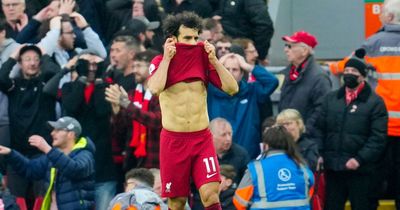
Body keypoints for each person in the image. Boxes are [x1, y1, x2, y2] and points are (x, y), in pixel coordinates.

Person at [147, 11, 238, 210]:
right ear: (173, 39)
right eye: (187, 38)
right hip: (174, 141)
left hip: (202, 139)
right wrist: (167, 59)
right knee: (177, 202)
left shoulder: (204, 60)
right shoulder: (159, 62)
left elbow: (232, 88)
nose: (193, 42)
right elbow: (154, 88)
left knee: (210, 194)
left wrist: (214, 60)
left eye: (196, 37)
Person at [328, 0, 400, 207]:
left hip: (380, 127)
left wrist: (332, 67)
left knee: (373, 182)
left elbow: (345, 66)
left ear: (389, 17)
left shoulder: (373, 43)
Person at [316, 49, 388, 210]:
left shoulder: (375, 103)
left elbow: (378, 138)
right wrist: (319, 154)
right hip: (333, 168)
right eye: (346, 70)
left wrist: (359, 159)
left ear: (362, 76)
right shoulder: (331, 99)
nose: (348, 74)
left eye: (353, 71)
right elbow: (319, 128)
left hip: (361, 171)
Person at [0, 44, 60, 207]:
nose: (32, 63)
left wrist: (45, 55)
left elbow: (55, 73)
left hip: (43, 153)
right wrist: (12, 57)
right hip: (17, 152)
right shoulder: (14, 85)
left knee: (42, 200)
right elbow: (1, 77)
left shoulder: (46, 85)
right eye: (27, 59)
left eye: (36, 59)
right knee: (15, 201)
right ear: (20, 63)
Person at [59, 52, 117, 210]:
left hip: (103, 164)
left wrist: (99, 81)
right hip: (78, 163)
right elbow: (71, 106)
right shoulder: (69, 87)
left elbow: (101, 109)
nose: (92, 69)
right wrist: (81, 79)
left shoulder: (107, 87)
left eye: (96, 65)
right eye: (87, 64)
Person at [0, 116, 96, 209]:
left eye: (58, 130)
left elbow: (75, 170)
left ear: (71, 134)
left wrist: (47, 148)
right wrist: (11, 153)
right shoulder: (52, 157)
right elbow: (30, 169)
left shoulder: (85, 154)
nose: (52, 133)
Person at [207, 53, 278, 159]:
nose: (230, 73)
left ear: (241, 74)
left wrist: (248, 66)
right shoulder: (210, 92)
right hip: (217, 155)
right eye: (226, 69)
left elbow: (272, 82)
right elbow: (197, 80)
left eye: (235, 69)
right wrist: (216, 65)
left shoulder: (252, 91)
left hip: (247, 155)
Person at [233, 125, 314, 210]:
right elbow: (309, 194)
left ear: (266, 145)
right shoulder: (303, 167)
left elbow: (239, 201)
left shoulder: (255, 169)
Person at [105, 49, 162, 169]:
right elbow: (120, 131)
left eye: (139, 66)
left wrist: (126, 104)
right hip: (133, 162)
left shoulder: (162, 94)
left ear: (153, 68)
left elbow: (156, 121)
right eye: (133, 66)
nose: (134, 70)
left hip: (156, 161)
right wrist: (117, 112)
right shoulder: (131, 95)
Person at [278, 31, 331, 137]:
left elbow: (321, 110)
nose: (286, 50)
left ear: (304, 50)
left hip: (307, 139)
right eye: (286, 46)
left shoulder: (319, 77)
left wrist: (303, 131)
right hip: (288, 136)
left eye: (290, 46)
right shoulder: (288, 73)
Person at [215, 0, 274, 65]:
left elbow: (265, 26)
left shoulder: (253, 2)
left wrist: (257, 53)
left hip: (243, 51)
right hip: (228, 50)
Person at [210, 117, 249, 184]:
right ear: (211, 136)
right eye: (223, 135)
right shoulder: (202, 156)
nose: (228, 139)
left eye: (230, 134)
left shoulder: (241, 154)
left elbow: (248, 183)